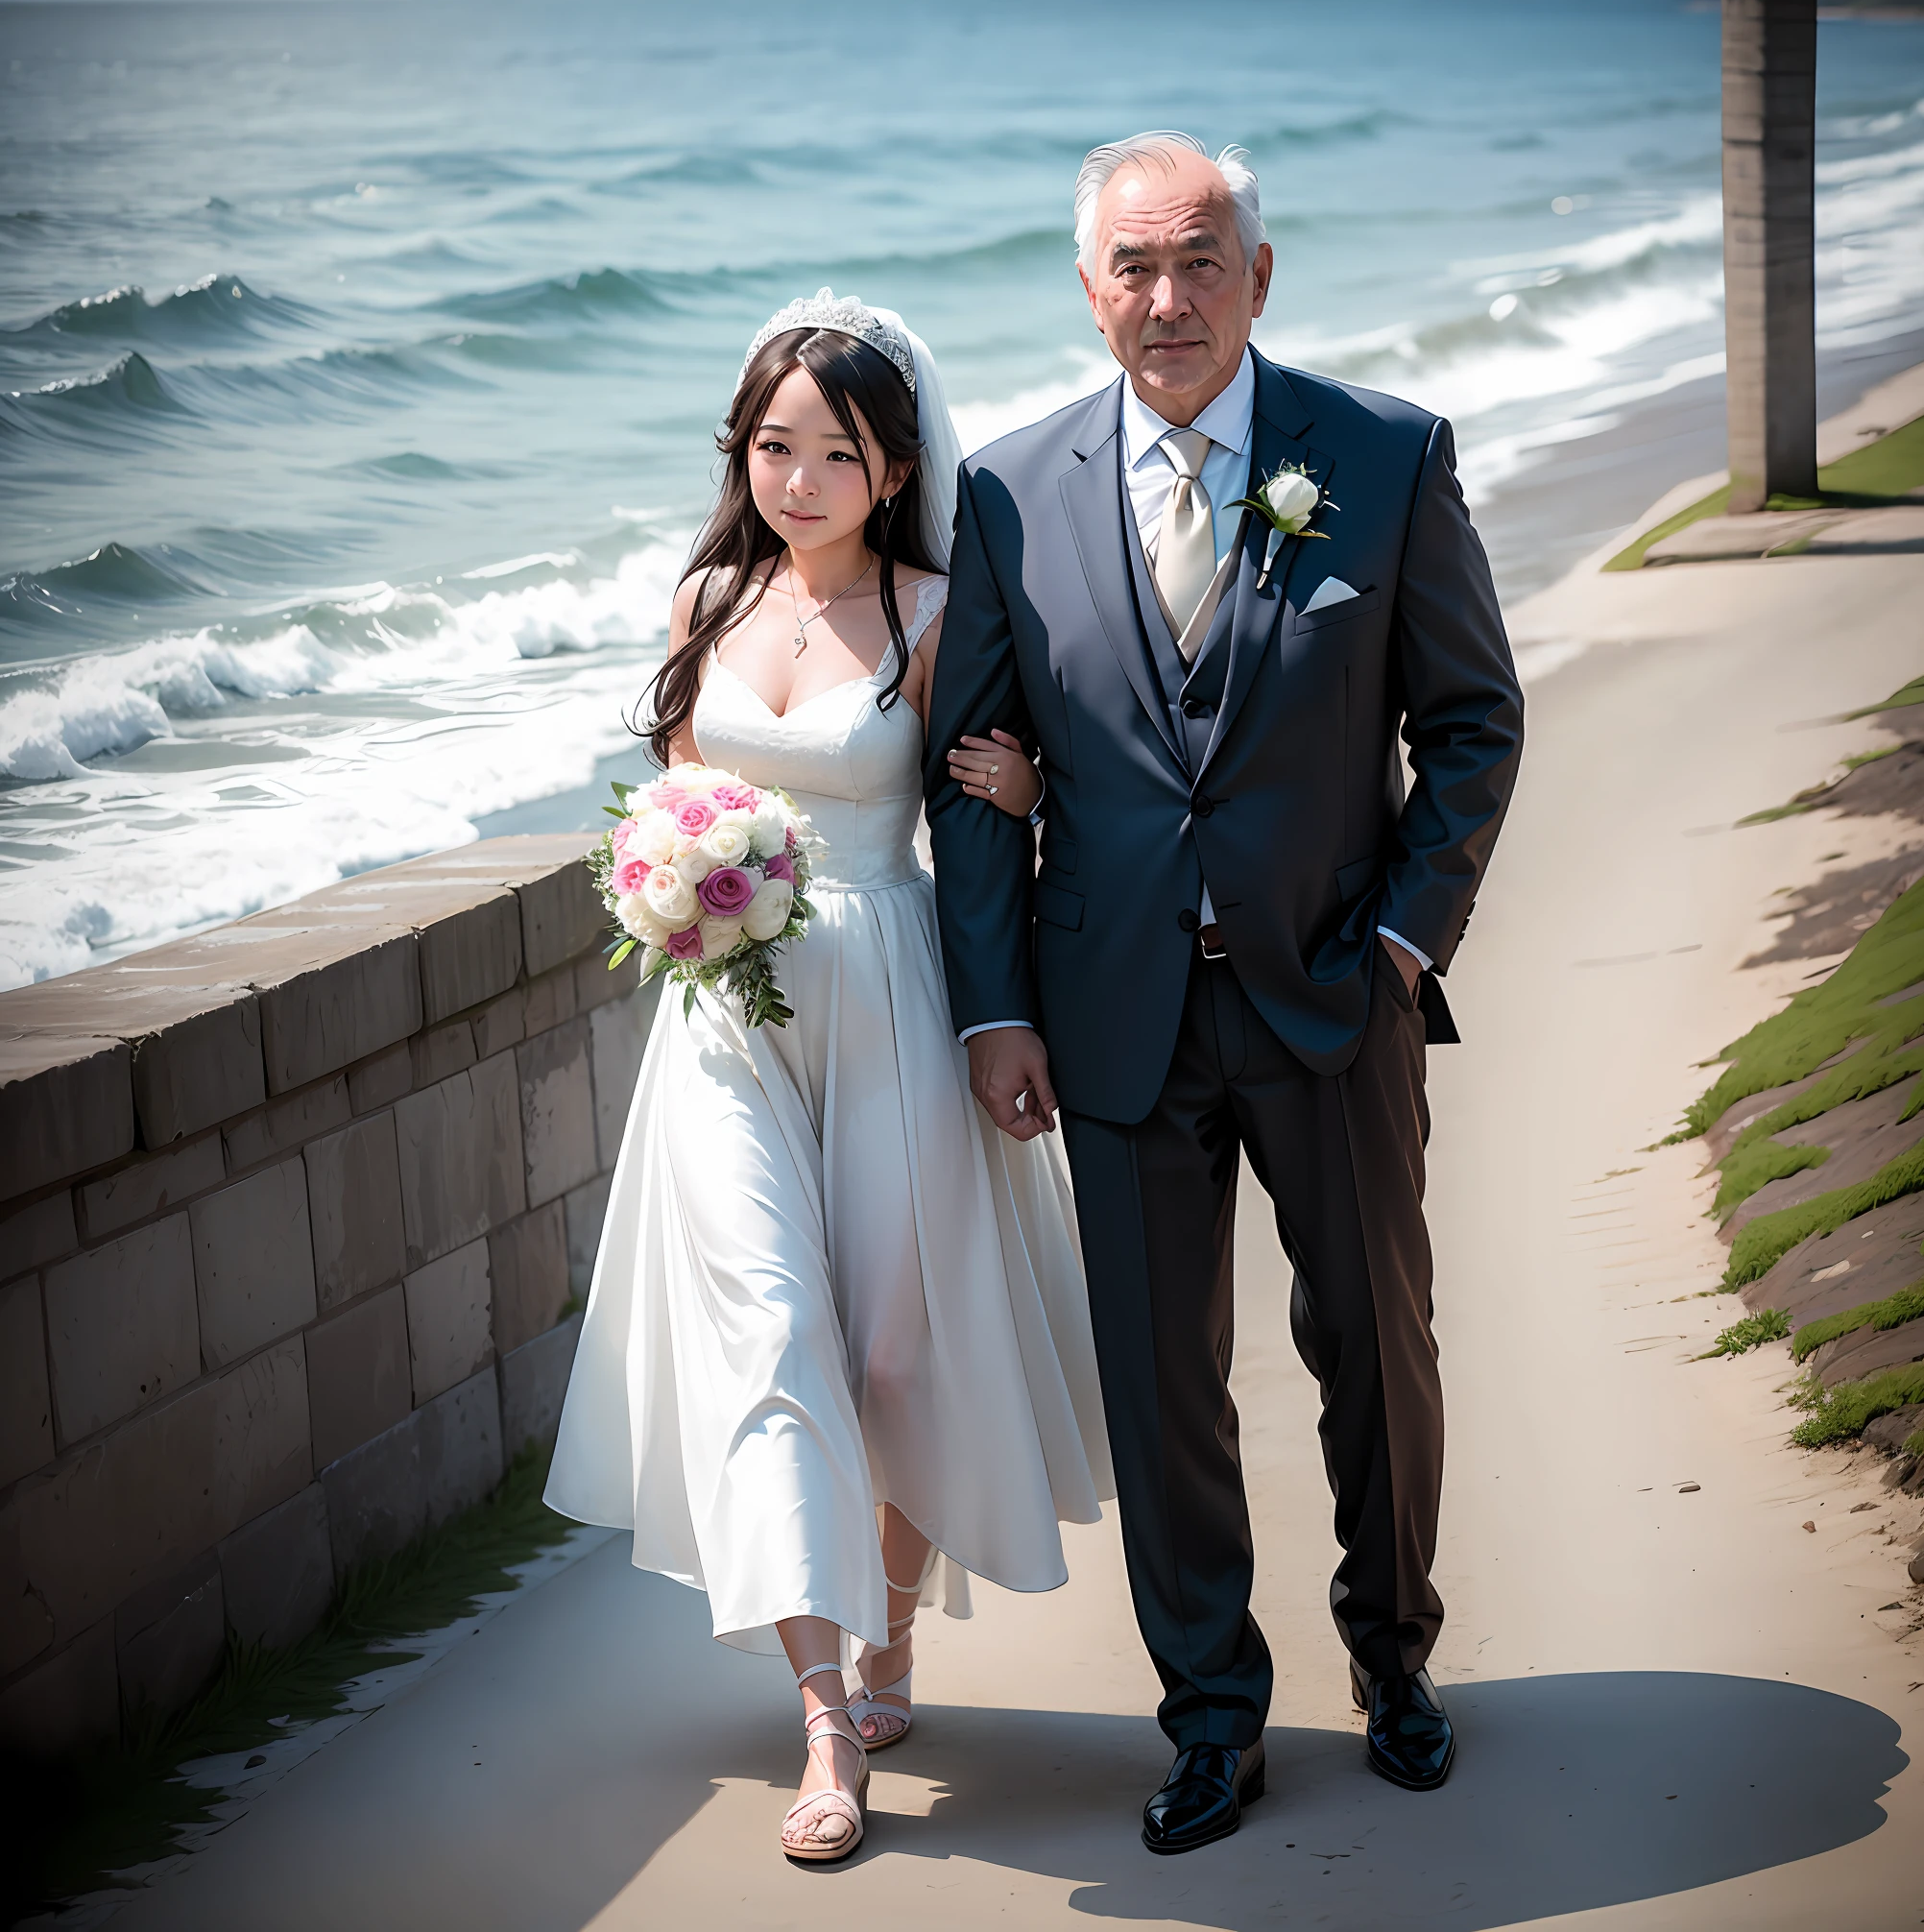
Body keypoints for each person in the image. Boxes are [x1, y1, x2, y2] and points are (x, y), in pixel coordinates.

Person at [925, 134, 1524, 1854]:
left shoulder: (1385, 459)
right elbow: (980, 777)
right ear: (1089, 285)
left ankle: (1396, 1666)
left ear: (1260, 276)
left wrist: (1407, 942)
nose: (1167, 299)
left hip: (1336, 1001)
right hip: (1108, 1018)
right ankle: (1210, 1716)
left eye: (1201, 263)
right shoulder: (1009, 490)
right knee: (1160, 1384)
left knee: (1374, 1352)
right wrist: (995, 1009)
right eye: (1134, 265)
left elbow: (1472, 725)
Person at [545, 291, 1111, 1866]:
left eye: (834, 452)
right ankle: (822, 1719)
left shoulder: (939, 611)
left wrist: (1033, 781)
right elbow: (669, 806)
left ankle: (896, 1635)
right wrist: (667, 877)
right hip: (730, 1007)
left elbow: (1002, 806)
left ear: (891, 463)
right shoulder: (707, 602)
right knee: (776, 1338)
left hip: (892, 986)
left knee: (894, 1351)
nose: (797, 478)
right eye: (773, 445)